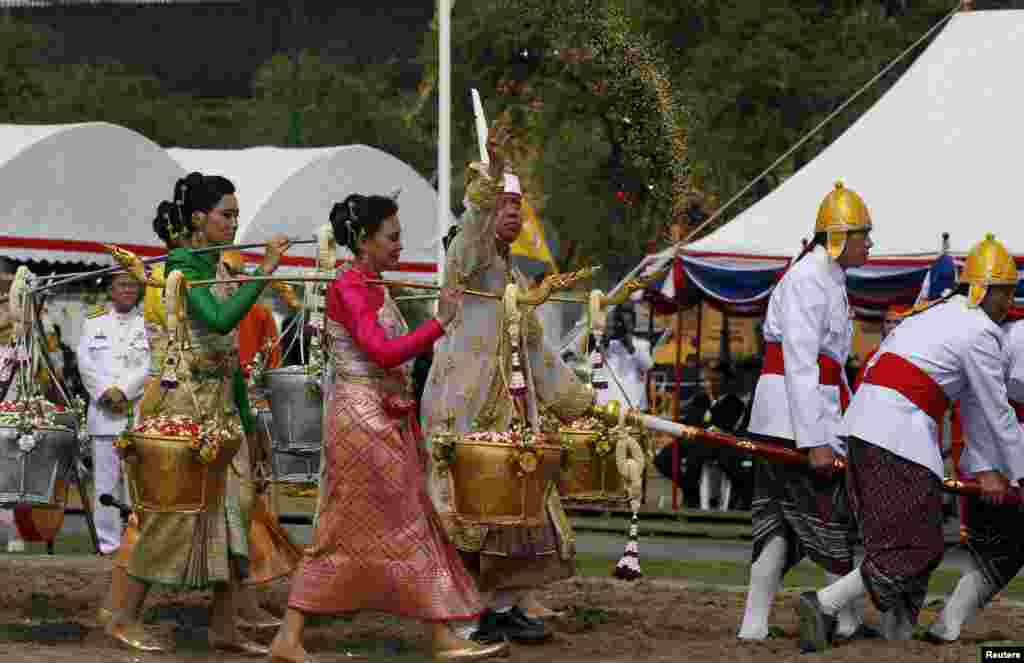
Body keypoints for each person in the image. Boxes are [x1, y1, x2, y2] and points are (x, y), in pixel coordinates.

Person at [269, 194, 508, 663]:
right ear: (363, 239)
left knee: (395, 522)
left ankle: (293, 637)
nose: (401, 245)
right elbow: (382, 353)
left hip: (380, 419)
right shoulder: (351, 286)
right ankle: (293, 637)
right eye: (393, 237)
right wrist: (440, 321)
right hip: (362, 421)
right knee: (380, 525)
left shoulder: (372, 283)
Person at [799, 234, 1024, 652]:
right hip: (896, 435)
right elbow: (996, 413)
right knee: (916, 546)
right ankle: (825, 603)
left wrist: (990, 471)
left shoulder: (935, 315)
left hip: (872, 429)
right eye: (1004, 293)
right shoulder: (979, 331)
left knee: (903, 542)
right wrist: (1020, 474)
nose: (1008, 303)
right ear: (983, 289)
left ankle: (896, 638)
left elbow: (976, 412)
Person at [421, 126, 595, 644]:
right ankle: (460, 613)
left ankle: (500, 604)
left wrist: (578, 404)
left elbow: (537, 351)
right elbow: (472, 225)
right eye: (506, 205)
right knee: (467, 510)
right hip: (463, 406)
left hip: (510, 409)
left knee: (514, 508)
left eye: (519, 207)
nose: (515, 215)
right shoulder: (467, 256)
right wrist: (490, 175)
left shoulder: (512, 277)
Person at [106, 171, 289, 656]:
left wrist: (249, 422)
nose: (234, 222)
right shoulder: (182, 266)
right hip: (184, 411)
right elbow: (221, 319)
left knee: (236, 511)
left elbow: (229, 355)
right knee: (175, 514)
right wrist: (267, 271)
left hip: (223, 409)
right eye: (225, 214)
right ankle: (124, 617)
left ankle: (224, 626)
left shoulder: (217, 266)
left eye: (235, 215)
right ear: (197, 218)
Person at [737, 182, 872, 642]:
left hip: (801, 417)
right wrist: (813, 438)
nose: (870, 243)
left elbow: (832, 370)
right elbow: (799, 360)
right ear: (838, 237)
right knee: (828, 517)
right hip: (790, 421)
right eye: (863, 234)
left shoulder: (831, 278)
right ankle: (845, 619)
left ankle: (754, 626)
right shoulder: (809, 277)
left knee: (780, 522)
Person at [76, 273, 147, 557]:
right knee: (105, 483)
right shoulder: (93, 323)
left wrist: (125, 392)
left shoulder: (148, 324)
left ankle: (135, 542)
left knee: (136, 483)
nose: (128, 290)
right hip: (103, 413)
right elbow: (84, 363)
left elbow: (149, 365)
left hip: (136, 413)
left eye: (133, 285)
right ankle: (108, 545)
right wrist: (106, 392)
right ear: (111, 290)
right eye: (122, 285)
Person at [596, 302, 653, 412]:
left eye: (628, 324)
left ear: (634, 324)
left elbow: (647, 366)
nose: (623, 328)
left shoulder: (641, 344)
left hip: (633, 403)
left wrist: (630, 347)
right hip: (609, 403)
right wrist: (605, 341)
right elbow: (595, 365)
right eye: (620, 324)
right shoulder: (605, 344)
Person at [852, 304, 909, 392]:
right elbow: (858, 385)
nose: (891, 326)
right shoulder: (873, 354)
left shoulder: (911, 354)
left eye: (897, 322)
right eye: (888, 322)